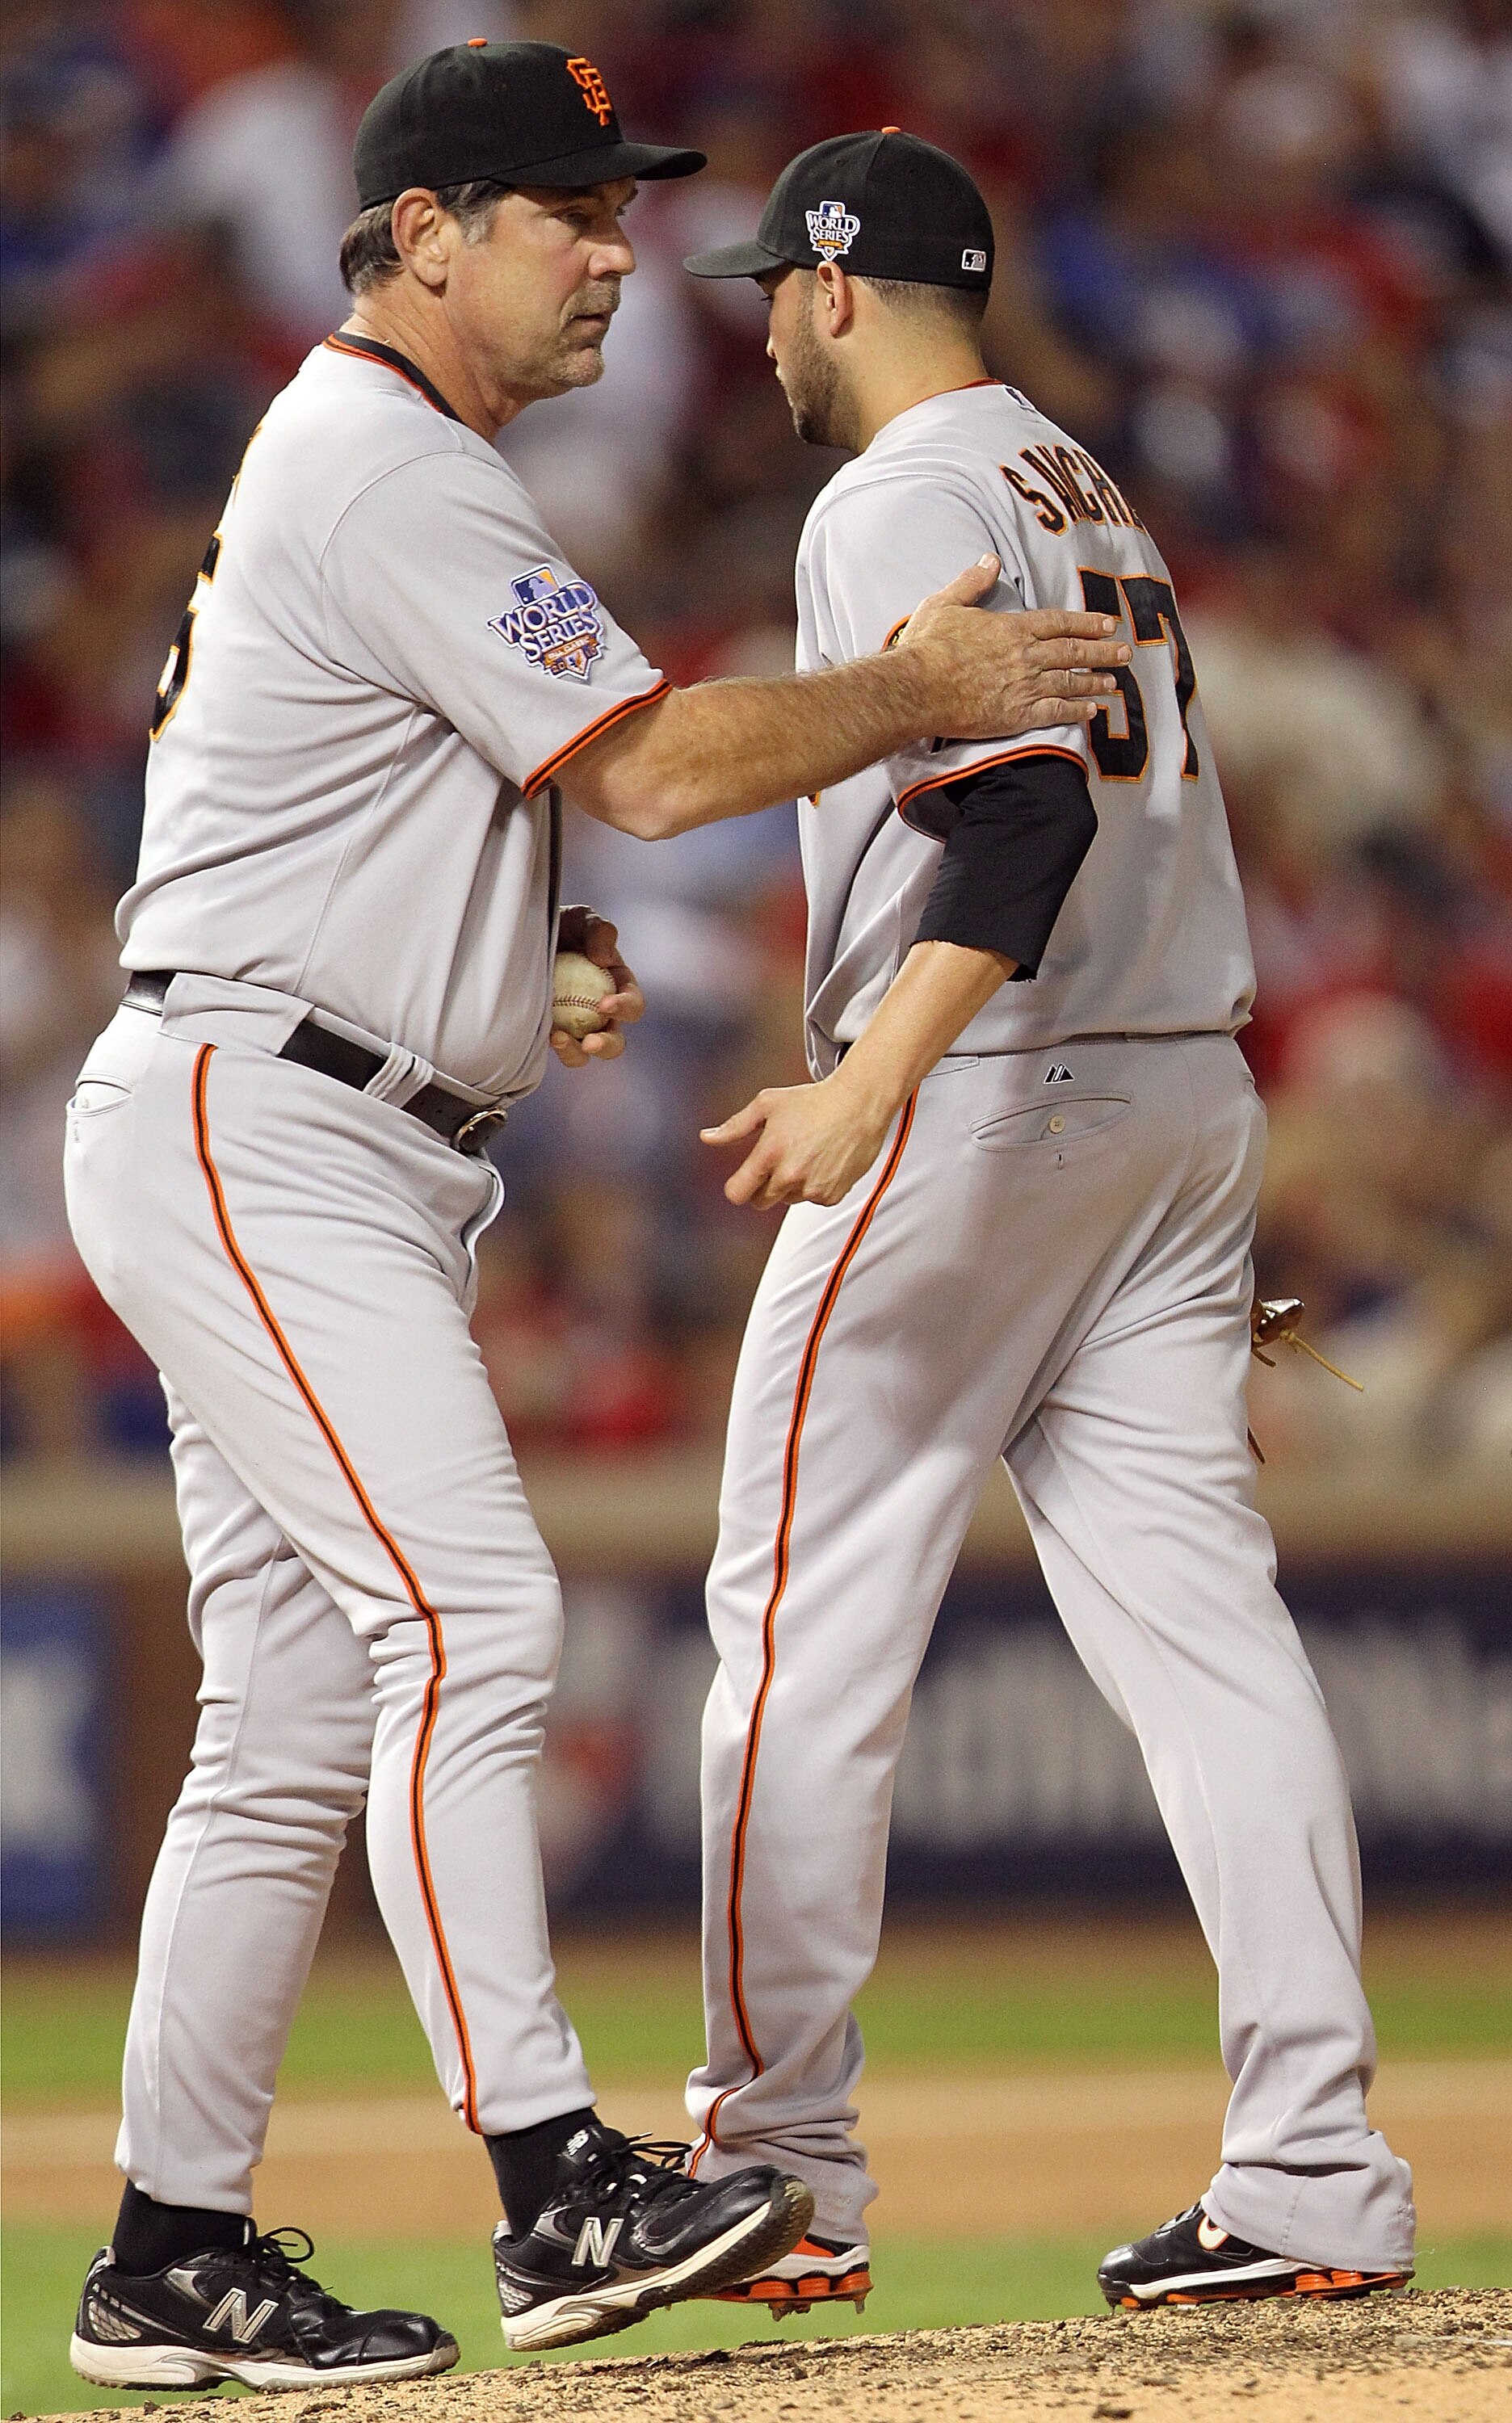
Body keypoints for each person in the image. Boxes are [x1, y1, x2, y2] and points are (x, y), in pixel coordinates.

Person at [61, 48, 1130, 2387]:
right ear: (421, 232)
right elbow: (651, 768)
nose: (617, 252)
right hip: (265, 1125)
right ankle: (558, 2187)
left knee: (295, 1720)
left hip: (306, 1100)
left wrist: (494, 962)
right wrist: (924, 686)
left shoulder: (376, 471)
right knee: (474, 1617)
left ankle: (168, 2248)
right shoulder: (386, 458)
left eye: (622, 213)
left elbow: (330, 797)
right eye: (563, 213)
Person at [681, 131, 1416, 2319]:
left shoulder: (896, 496)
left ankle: (777, 2165)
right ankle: (1314, 2173)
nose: (761, 330)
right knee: (1210, 1643)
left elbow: (1006, 833)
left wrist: (871, 1075)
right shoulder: (1077, 479)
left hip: (992, 1095)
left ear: (831, 289)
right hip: (1184, 1097)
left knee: (796, 1637)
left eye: (768, 293)